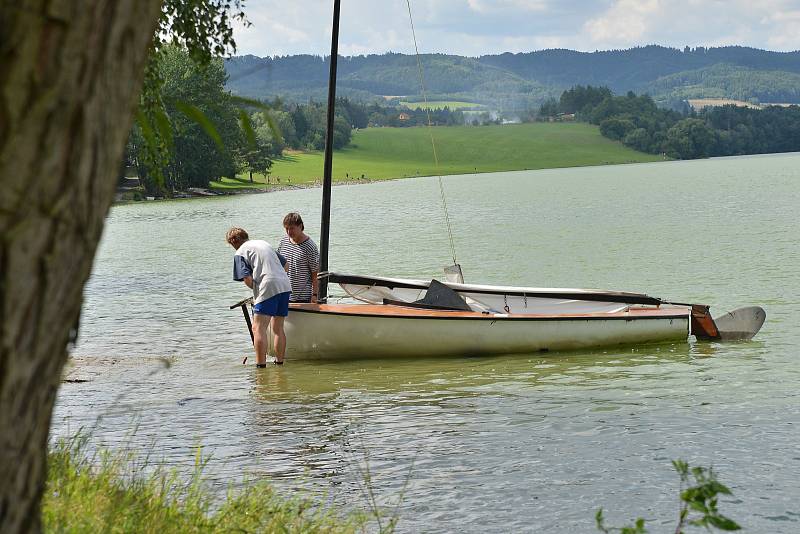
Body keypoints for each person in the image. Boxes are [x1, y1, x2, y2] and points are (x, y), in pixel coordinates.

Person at [226, 227, 291, 367]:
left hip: (267, 286)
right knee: (278, 328)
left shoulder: (240, 252)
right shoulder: (263, 243)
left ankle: (260, 367)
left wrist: (258, 292)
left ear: (232, 242)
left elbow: (247, 279)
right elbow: (286, 265)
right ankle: (280, 363)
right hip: (285, 284)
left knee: (258, 328)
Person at [277, 212, 320, 303]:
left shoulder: (310, 246)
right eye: (287, 229)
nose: (289, 232)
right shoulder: (284, 242)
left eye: (292, 228)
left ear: (300, 226)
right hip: (284, 294)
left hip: (303, 297)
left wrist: (315, 295)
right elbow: (278, 266)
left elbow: (315, 274)